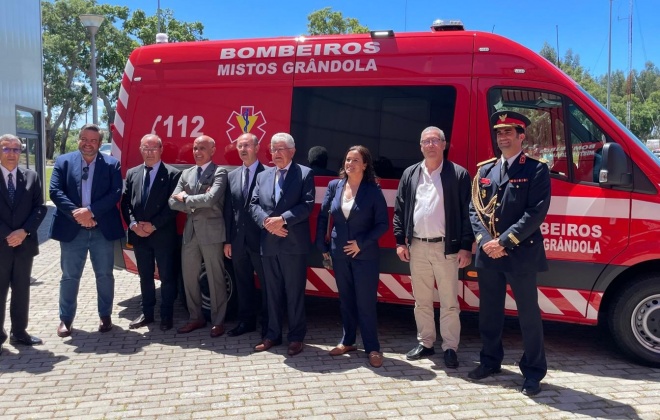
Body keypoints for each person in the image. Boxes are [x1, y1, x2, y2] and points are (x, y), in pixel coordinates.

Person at [468, 111, 551, 396]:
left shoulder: (536, 169)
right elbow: (475, 209)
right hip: (489, 254)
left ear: (521, 136)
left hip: (520, 252)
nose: (502, 137)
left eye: (508, 132)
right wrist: (484, 239)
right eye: (499, 133)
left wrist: (503, 241)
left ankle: (533, 372)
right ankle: (490, 361)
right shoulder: (486, 170)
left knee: (528, 314)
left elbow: (535, 212)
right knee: (489, 313)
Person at [393, 126, 473, 368]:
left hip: (446, 248)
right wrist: (400, 241)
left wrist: (466, 246)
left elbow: (468, 212)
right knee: (422, 300)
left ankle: (450, 347)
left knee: (449, 302)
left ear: (444, 144)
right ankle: (426, 343)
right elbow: (400, 208)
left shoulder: (457, 174)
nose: (430, 145)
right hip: (416, 246)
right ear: (420, 146)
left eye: (435, 141)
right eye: (426, 141)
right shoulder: (411, 173)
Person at [315, 145, 388, 368]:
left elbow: (382, 224)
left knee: (365, 302)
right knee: (346, 299)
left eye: (355, 160)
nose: (350, 164)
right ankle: (347, 341)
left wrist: (361, 244)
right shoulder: (334, 186)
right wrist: (321, 244)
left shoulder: (373, 190)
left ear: (365, 165)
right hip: (339, 253)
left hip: (364, 255)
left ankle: (373, 347)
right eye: (347, 160)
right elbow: (323, 216)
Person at [50, 124, 124, 337]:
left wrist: (91, 212)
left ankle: (105, 316)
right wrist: (78, 214)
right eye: (84, 138)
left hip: (102, 229)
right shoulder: (63, 161)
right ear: (78, 140)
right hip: (72, 230)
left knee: (104, 275)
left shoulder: (111, 164)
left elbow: (115, 193)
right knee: (69, 276)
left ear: (100, 144)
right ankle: (65, 319)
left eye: (93, 140)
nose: (88, 143)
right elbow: (55, 191)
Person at [250, 132, 314, 356]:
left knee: (294, 293)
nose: (276, 154)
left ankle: (296, 338)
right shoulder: (263, 176)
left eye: (281, 149)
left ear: (292, 151)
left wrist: (282, 219)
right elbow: (254, 204)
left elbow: (306, 205)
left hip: (292, 245)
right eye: (273, 149)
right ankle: (272, 335)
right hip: (268, 243)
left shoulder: (304, 174)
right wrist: (267, 223)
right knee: (272, 292)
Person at [169, 135, 228, 338]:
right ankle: (195, 317)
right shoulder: (186, 174)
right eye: (195, 148)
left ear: (212, 150)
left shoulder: (219, 172)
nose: (197, 152)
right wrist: (196, 200)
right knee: (189, 277)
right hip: (190, 233)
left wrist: (185, 198)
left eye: (202, 148)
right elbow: (172, 202)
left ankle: (218, 321)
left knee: (215, 277)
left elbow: (211, 200)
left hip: (212, 233)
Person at [121, 134, 181, 331]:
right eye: (145, 148)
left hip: (162, 234)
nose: (149, 152)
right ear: (140, 150)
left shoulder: (172, 174)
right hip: (139, 234)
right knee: (144, 276)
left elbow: (173, 206)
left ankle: (166, 316)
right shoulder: (132, 173)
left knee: (167, 277)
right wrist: (133, 224)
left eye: (153, 148)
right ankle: (147, 314)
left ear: (161, 150)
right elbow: (126, 202)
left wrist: (153, 225)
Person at [0, 134, 47, 353]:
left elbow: (40, 207)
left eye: (16, 149)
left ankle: (19, 333)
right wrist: (9, 234)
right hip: (1, 245)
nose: (11, 153)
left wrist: (24, 231)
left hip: (24, 244)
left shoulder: (31, 176)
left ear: (21, 152)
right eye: (6, 149)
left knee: (21, 290)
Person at [223, 133, 268, 337]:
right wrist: (228, 240)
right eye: (240, 146)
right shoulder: (232, 176)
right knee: (243, 283)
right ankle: (246, 321)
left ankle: (268, 323)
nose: (243, 149)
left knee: (268, 284)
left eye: (247, 145)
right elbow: (229, 211)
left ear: (257, 147)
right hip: (238, 241)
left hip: (262, 241)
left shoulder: (268, 174)